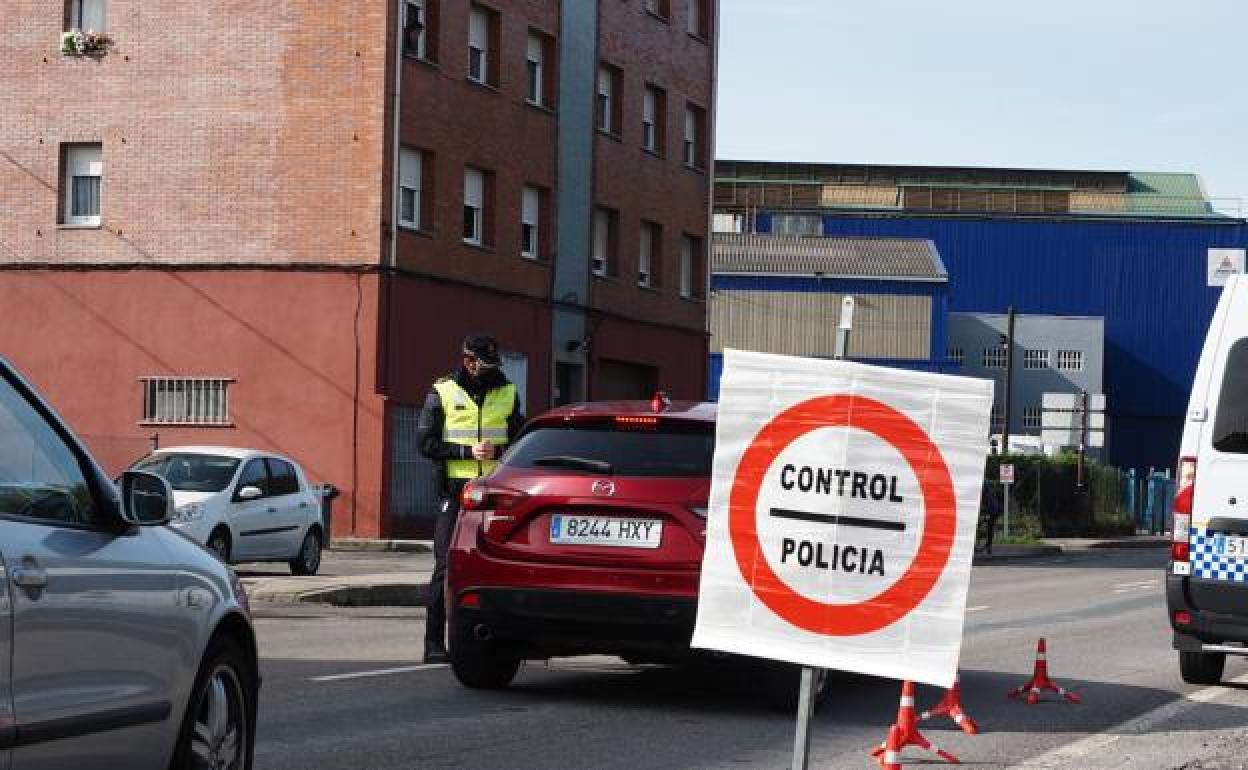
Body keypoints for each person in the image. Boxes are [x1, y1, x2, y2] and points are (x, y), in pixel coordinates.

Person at [417, 334, 524, 664]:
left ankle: (508, 640)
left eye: (495, 364)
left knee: (505, 567)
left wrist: (502, 451)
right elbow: (425, 443)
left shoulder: (507, 392)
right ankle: (434, 643)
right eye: (486, 365)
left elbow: (523, 442)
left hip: (495, 494)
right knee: (445, 566)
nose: (493, 370)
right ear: (468, 362)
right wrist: (465, 451)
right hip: (456, 492)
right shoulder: (443, 391)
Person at [977, 479, 1003, 556]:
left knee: (990, 526)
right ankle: (987, 545)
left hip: (993, 511)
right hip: (993, 510)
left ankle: (988, 546)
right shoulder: (988, 492)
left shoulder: (987, 494)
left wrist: (986, 515)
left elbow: (990, 506)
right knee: (989, 527)